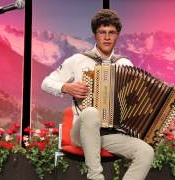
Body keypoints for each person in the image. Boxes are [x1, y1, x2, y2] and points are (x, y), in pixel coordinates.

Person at [41, 9, 154, 180]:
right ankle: (95, 177)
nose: (107, 37)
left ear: (117, 35)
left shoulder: (125, 64)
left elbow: (138, 102)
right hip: (81, 132)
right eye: (102, 32)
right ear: (95, 35)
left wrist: (160, 115)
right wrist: (66, 87)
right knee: (91, 112)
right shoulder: (77, 60)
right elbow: (46, 83)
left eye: (111, 33)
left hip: (110, 134)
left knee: (146, 151)